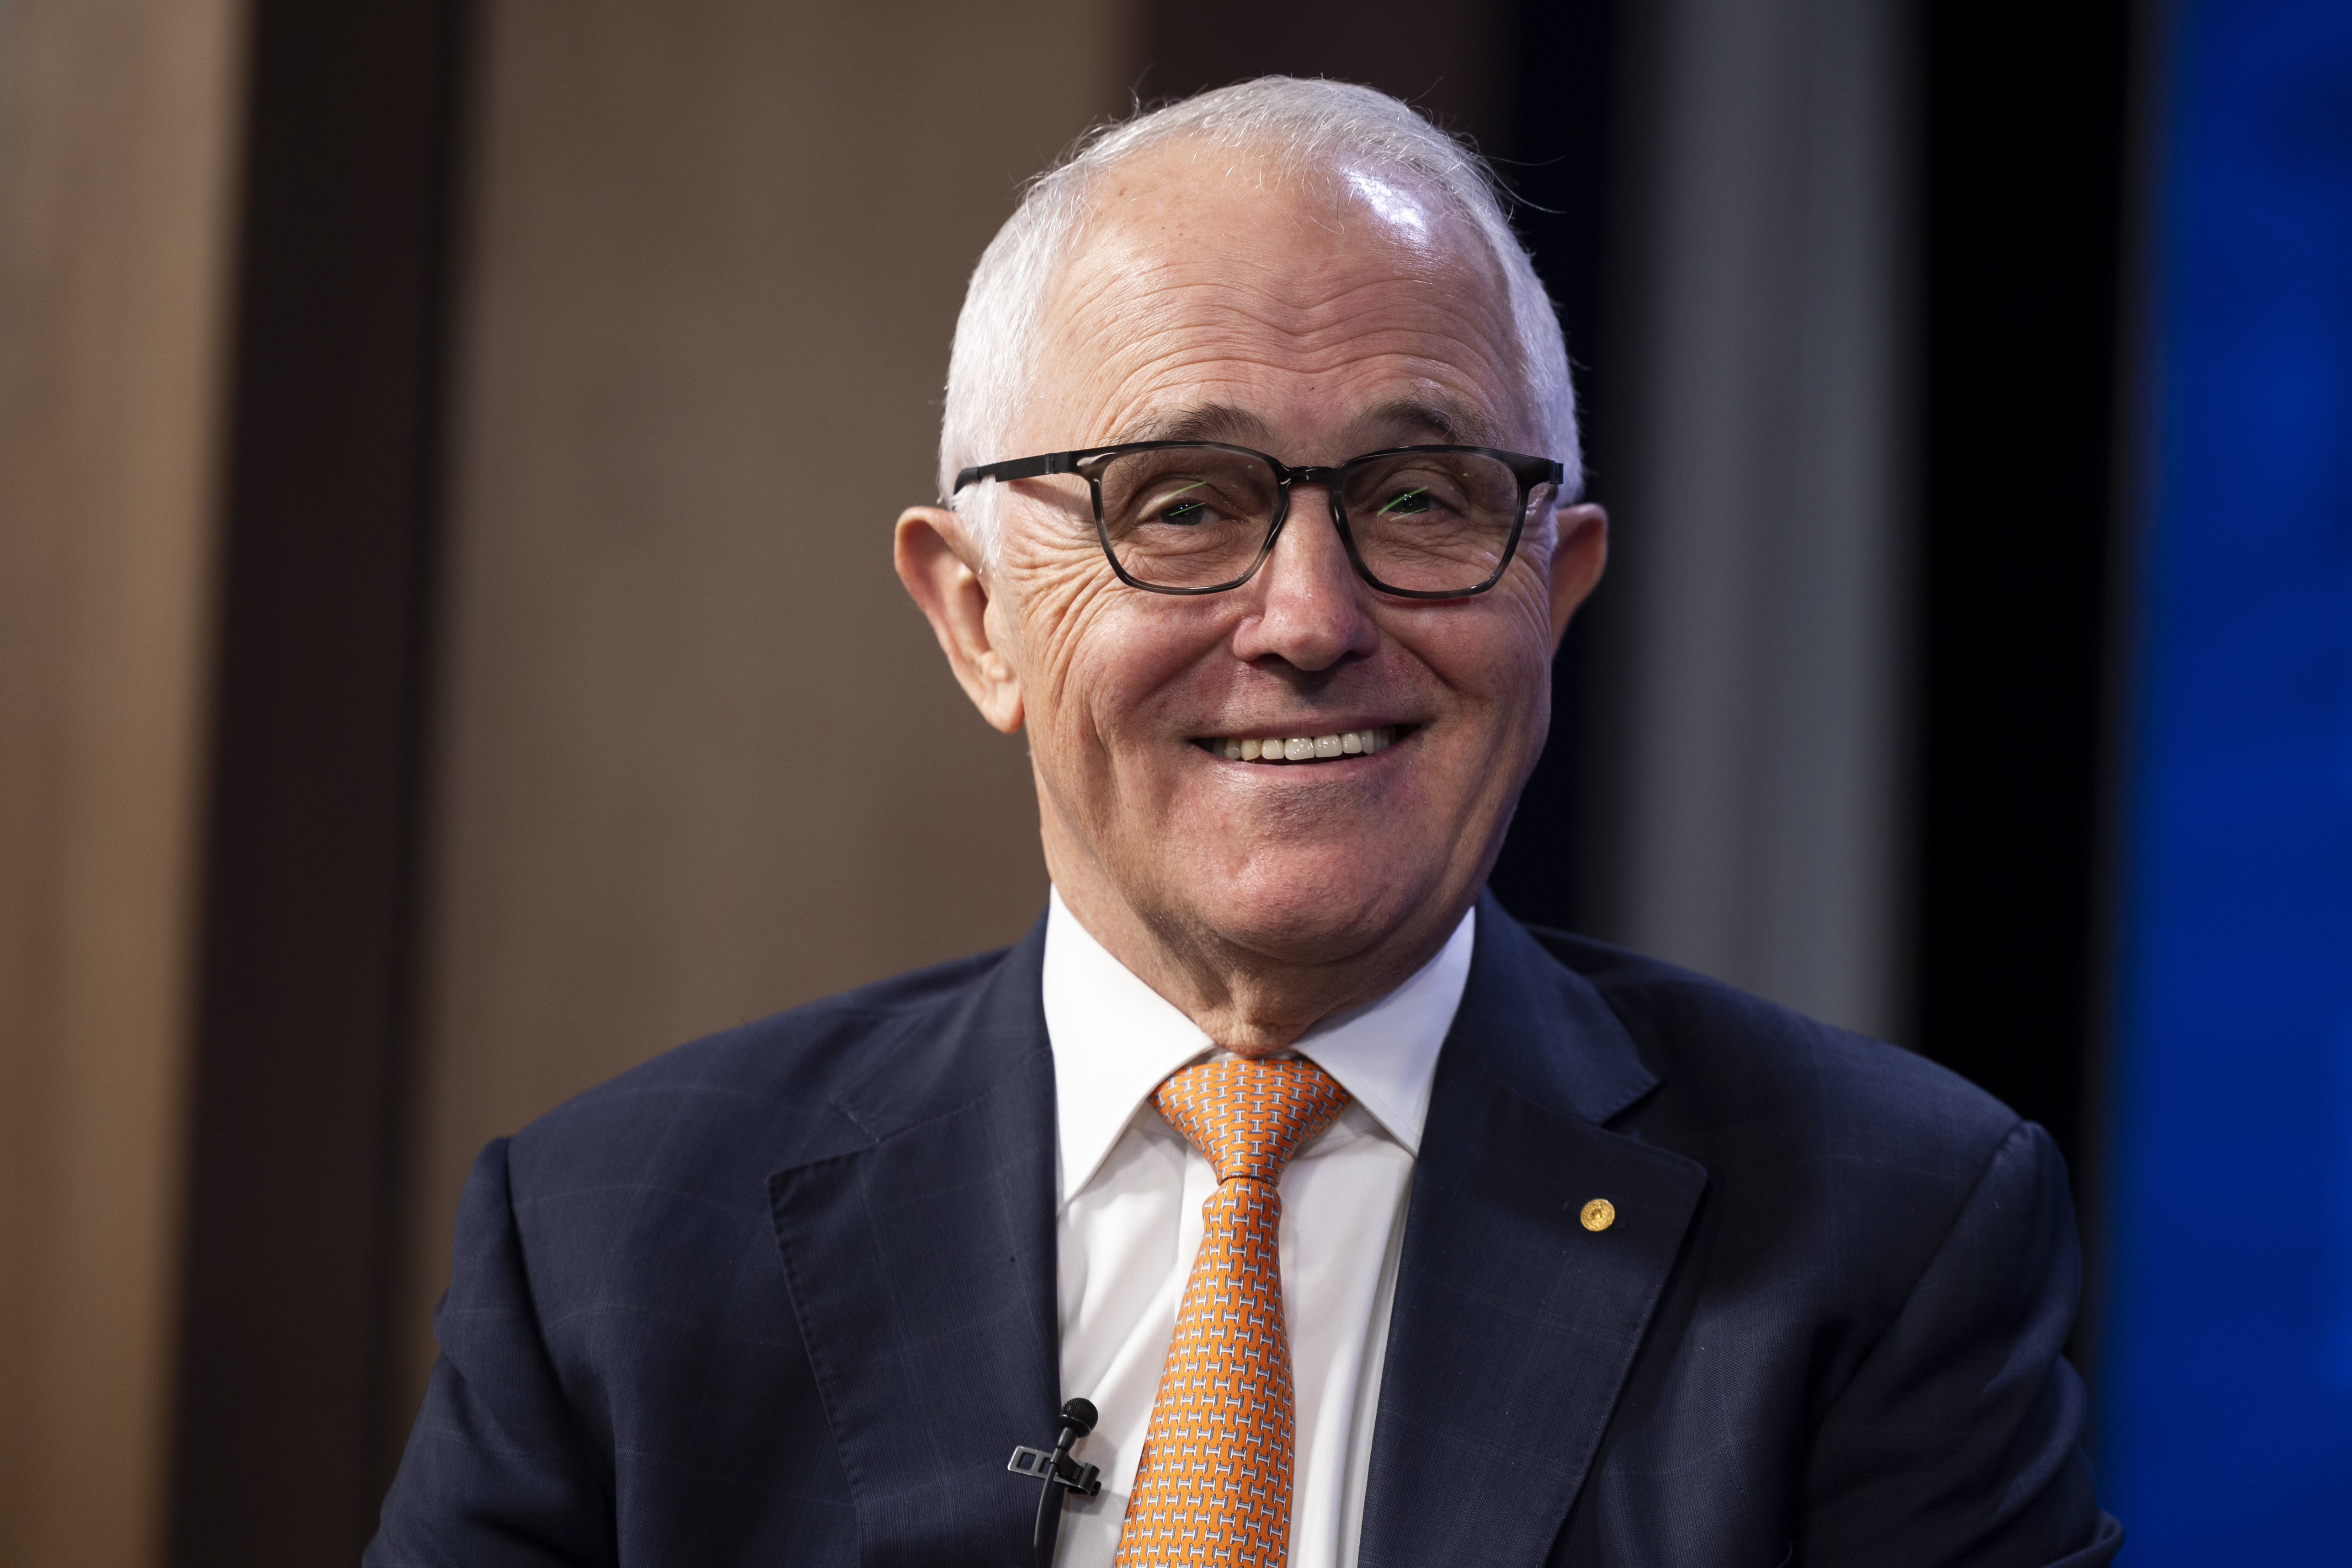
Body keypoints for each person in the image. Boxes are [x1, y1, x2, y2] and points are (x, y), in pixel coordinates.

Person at [368, 77, 2121, 1567]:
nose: (1304, 617)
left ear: (1556, 589)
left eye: (1420, 497)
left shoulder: (1887, 1234)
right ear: (976, 615)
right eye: (1180, 506)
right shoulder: (613, 1240)